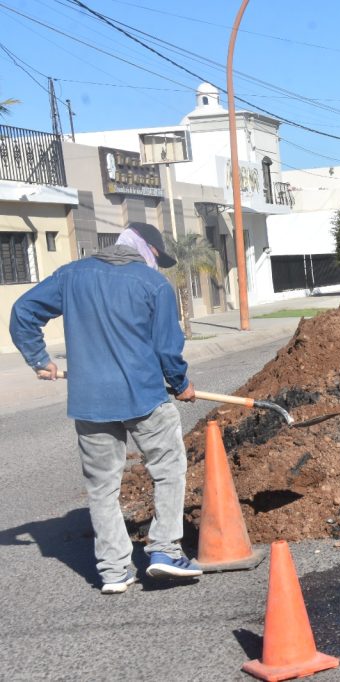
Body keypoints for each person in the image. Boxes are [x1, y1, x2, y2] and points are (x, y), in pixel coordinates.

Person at [9, 222, 203, 594]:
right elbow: (167, 348)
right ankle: (165, 550)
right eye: (158, 257)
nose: (157, 264)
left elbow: (23, 311)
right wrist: (181, 384)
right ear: (147, 249)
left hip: (90, 401)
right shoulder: (153, 284)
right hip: (144, 396)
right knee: (168, 468)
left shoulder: (71, 275)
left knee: (102, 488)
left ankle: (114, 571)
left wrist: (39, 358)